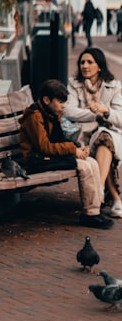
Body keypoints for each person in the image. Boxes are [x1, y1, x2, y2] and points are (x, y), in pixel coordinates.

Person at [19, 79, 112, 230]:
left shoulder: (51, 113)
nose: (63, 106)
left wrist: (78, 148)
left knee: (91, 162)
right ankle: (90, 214)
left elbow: (58, 140)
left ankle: (95, 210)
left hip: (49, 157)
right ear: (46, 100)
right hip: (36, 160)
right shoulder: (34, 117)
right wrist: (72, 150)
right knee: (83, 167)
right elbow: (45, 147)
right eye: (60, 102)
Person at [65, 47, 122, 219]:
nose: (85, 65)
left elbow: (120, 118)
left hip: (111, 133)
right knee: (105, 146)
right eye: (82, 62)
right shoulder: (74, 84)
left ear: (99, 66)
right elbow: (69, 112)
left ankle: (98, 191)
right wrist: (95, 113)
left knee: (105, 138)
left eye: (90, 62)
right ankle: (116, 199)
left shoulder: (114, 87)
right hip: (85, 137)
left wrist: (106, 112)